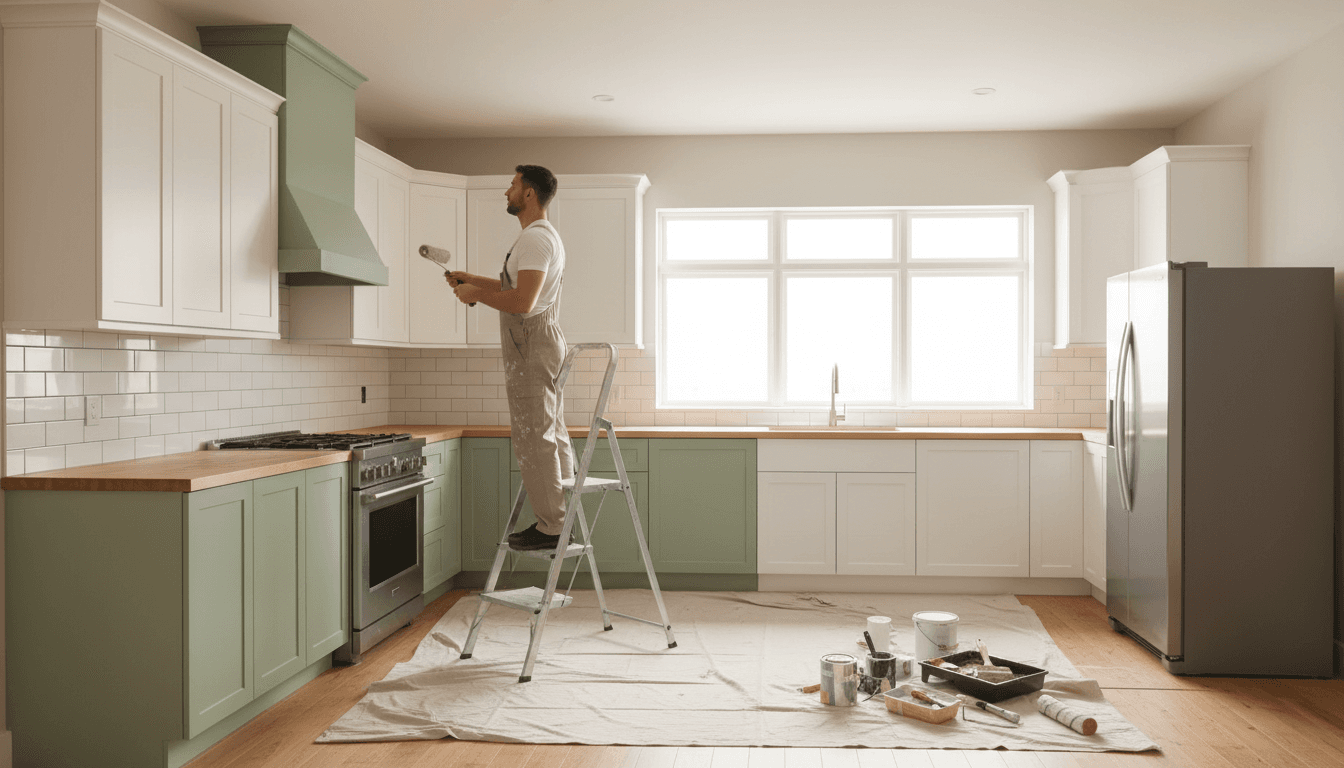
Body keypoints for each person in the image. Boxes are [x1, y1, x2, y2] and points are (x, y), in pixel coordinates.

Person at [446, 165, 574, 551]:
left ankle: (552, 527)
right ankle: (562, 522)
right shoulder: (539, 238)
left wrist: (475, 296)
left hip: (532, 340)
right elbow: (514, 288)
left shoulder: (535, 240)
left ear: (530, 194)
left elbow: (521, 302)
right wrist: (474, 279)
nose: (507, 191)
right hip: (539, 338)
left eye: (513, 185)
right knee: (550, 430)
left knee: (535, 435)